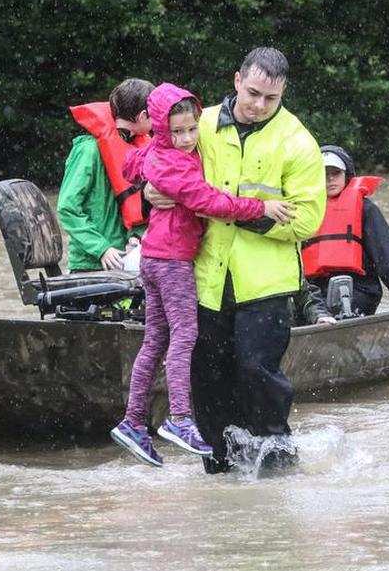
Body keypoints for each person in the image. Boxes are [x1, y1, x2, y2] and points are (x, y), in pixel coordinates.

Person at [109, 83, 295, 467]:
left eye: (192, 130)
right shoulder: (174, 162)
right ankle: (179, 419)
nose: (187, 138)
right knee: (185, 336)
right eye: (176, 132)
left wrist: (149, 183)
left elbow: (130, 166)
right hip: (174, 259)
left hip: (153, 255)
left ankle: (132, 422)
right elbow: (212, 202)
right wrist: (262, 207)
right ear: (162, 129)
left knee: (156, 339)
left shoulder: (153, 151)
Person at [163, 47, 326, 474]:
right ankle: (219, 468)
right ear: (237, 81)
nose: (258, 105)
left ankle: (277, 466)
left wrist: (242, 213)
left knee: (258, 372)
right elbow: (164, 169)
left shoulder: (298, 142)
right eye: (252, 93)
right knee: (208, 377)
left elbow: (308, 219)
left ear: (283, 93)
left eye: (270, 98)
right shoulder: (199, 126)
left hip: (267, 283)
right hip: (206, 275)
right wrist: (150, 193)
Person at [303, 145, 389, 317]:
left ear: (347, 175)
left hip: (359, 287)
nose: (330, 180)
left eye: (335, 173)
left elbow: (386, 255)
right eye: (323, 175)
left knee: (345, 306)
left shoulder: (365, 209)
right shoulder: (303, 211)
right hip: (314, 290)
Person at [58, 79, 154, 272]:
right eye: (156, 114)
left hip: (126, 257)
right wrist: (102, 249)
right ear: (143, 116)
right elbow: (67, 208)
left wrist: (134, 236)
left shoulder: (139, 149)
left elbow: (136, 207)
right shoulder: (88, 150)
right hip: (90, 264)